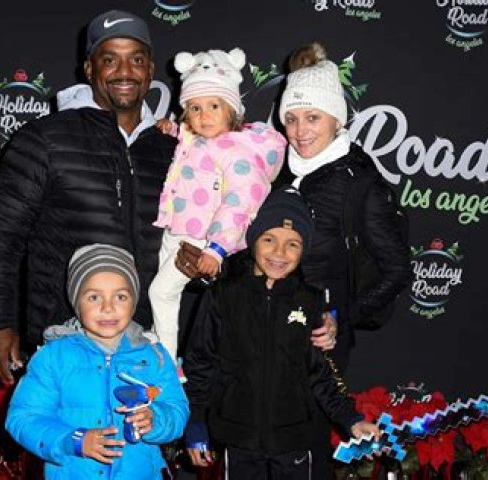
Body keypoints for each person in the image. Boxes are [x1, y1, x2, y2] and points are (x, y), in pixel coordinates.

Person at [0, 10, 176, 385]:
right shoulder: (44, 139)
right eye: (110, 59)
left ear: (150, 70)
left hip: (147, 345)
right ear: (89, 68)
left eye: (136, 60)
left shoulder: (172, 151)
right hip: (65, 340)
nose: (125, 72)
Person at [278, 42, 412, 478]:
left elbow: (396, 269)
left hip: (321, 342)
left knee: (305, 450)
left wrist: (342, 316)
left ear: (337, 119)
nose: (300, 131)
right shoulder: (277, 169)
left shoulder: (361, 183)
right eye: (291, 118)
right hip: (267, 331)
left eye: (312, 118)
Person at [181, 187, 381, 479]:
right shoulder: (222, 295)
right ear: (253, 240)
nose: (279, 252)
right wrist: (195, 419)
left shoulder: (311, 300)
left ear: (304, 250)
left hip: (294, 443)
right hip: (237, 442)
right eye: (269, 239)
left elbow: (320, 373)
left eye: (292, 244)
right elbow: (199, 363)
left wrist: (350, 419)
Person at [149, 47, 286, 363]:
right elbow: (190, 144)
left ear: (232, 110)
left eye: (214, 106)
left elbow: (240, 202)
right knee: (164, 297)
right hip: (176, 230)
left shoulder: (238, 151)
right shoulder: (198, 137)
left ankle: (165, 364)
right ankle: (160, 344)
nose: (204, 115)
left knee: (161, 293)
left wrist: (217, 248)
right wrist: (172, 129)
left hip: (202, 238)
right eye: (195, 108)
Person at [6, 244, 189, 479]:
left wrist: (156, 419)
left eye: (120, 296)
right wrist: (73, 440)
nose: (108, 308)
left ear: (134, 301)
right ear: (76, 301)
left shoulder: (154, 356)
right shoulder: (53, 358)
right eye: (94, 297)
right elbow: (23, 418)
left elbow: (177, 409)